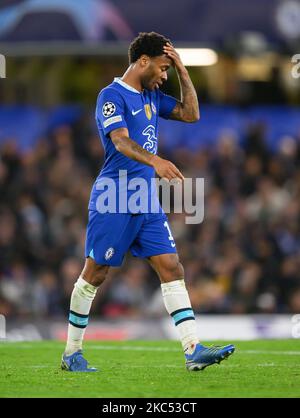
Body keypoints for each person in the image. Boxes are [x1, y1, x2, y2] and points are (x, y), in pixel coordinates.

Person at [61, 32, 235, 372]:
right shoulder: (111, 96)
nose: (164, 76)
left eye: (169, 70)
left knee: (171, 266)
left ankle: (192, 349)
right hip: (114, 195)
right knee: (96, 272)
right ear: (143, 61)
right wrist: (155, 161)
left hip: (145, 198)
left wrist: (184, 71)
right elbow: (121, 141)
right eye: (163, 67)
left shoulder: (153, 97)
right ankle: (71, 353)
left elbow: (190, 114)